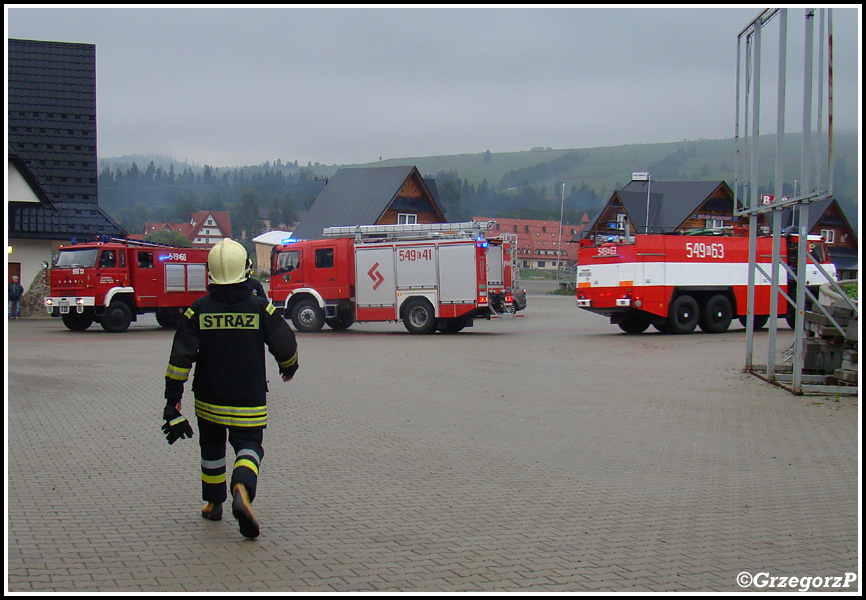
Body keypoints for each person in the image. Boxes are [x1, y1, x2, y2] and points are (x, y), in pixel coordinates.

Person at [162, 239, 298, 539]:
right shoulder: (260, 307)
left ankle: (213, 504)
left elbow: (179, 361)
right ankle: (241, 487)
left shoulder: (197, 310)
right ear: (246, 270)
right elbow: (286, 344)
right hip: (249, 398)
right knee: (249, 447)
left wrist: (172, 405)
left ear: (211, 273)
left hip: (208, 399)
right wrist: (288, 368)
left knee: (211, 450)